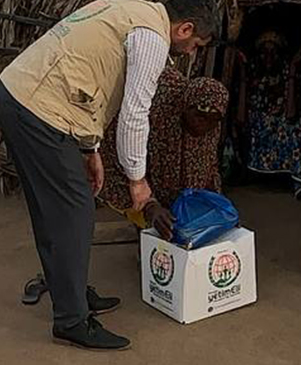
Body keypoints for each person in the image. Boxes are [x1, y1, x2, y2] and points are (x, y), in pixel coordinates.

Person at [0, 0, 218, 351]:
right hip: (38, 109)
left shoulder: (128, 8)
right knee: (75, 212)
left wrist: (89, 148)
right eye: (195, 45)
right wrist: (139, 184)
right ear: (185, 29)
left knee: (58, 209)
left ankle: (74, 294)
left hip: (22, 96)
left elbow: (87, 73)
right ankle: (71, 320)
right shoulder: (152, 37)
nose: (191, 53)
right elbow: (133, 113)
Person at [20, 68, 229, 306]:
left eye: (212, 121)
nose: (203, 125)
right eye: (198, 116)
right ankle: (66, 287)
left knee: (172, 225)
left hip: (160, 177)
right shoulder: (151, 114)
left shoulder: (211, 122)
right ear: (185, 106)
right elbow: (123, 161)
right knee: (129, 211)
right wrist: (150, 205)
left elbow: (206, 165)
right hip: (130, 166)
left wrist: (215, 209)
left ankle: (154, 245)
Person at [233, 29, 301, 196]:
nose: (268, 57)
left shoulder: (287, 75)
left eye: (273, 52)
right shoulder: (254, 76)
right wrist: (243, 71)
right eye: (264, 52)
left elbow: (290, 113)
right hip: (258, 124)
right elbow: (240, 117)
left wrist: (291, 70)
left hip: (281, 123)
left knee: (293, 126)